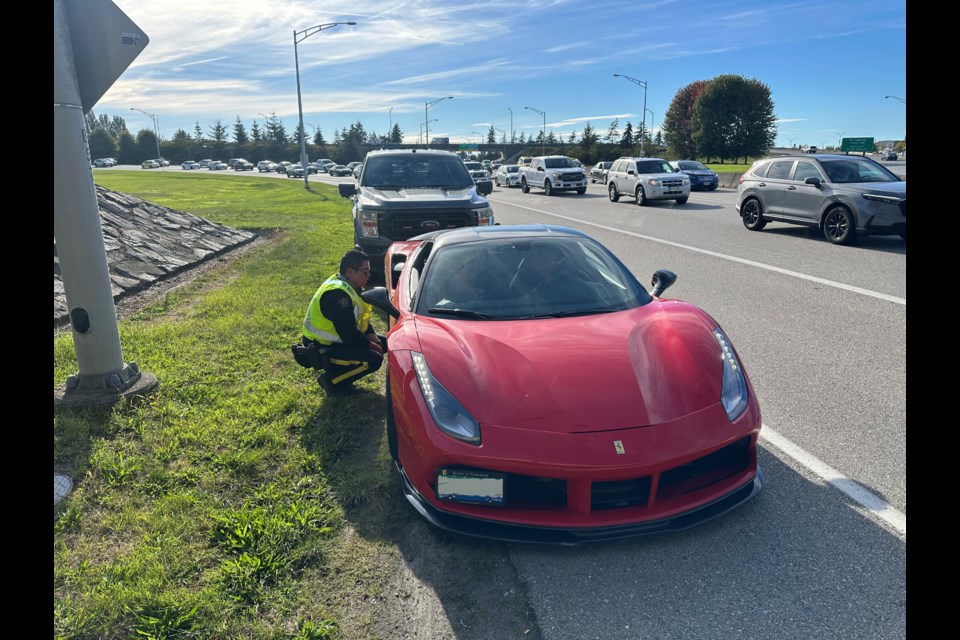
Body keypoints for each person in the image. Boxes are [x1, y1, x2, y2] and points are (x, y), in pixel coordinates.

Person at [302, 249, 387, 395]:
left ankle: (339, 372)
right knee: (374, 359)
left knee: (385, 343)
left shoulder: (350, 287)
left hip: (339, 341)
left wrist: (374, 339)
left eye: (369, 271)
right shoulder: (338, 295)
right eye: (364, 272)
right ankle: (331, 380)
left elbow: (361, 322)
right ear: (349, 272)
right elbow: (350, 334)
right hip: (323, 347)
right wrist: (372, 346)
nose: (369, 276)